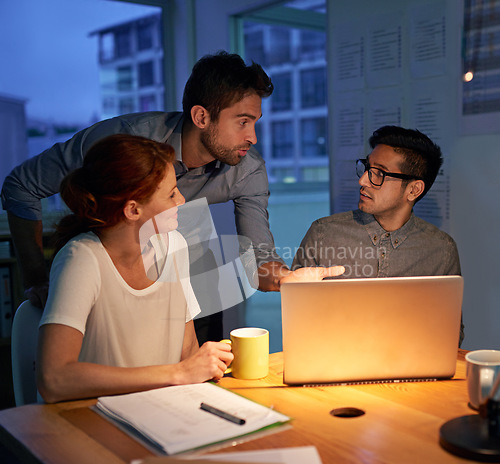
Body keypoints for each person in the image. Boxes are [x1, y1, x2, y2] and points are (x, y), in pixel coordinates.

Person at [2, 51, 341, 344]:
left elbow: (258, 256)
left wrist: (284, 279)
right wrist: (35, 275)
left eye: (255, 122)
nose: (252, 137)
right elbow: (20, 186)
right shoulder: (121, 142)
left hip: (177, 278)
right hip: (104, 277)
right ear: (201, 117)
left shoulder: (247, 170)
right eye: (242, 122)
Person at [36, 134, 233, 403]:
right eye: (171, 194)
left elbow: (187, 351)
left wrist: (200, 369)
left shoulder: (174, 245)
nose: (182, 201)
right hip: (93, 423)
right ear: (133, 210)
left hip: (161, 412)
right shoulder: (81, 259)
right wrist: (178, 373)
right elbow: (53, 379)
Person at [292, 125, 464, 345]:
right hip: (334, 369)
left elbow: (451, 334)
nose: (362, 181)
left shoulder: (441, 250)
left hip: (411, 372)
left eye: (379, 174)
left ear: (413, 190)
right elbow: (298, 322)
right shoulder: (323, 234)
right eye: (367, 168)